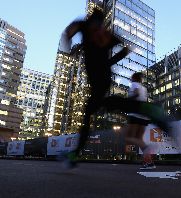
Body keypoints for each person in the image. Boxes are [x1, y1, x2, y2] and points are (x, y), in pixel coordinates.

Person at [59, 9, 169, 168]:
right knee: (102, 105)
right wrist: (107, 62)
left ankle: (75, 154)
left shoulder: (83, 25)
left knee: (93, 110)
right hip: (103, 77)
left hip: (99, 79)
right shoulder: (107, 34)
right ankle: (75, 154)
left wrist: (68, 49)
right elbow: (127, 48)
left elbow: (67, 33)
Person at [123, 72, 156, 169]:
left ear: (134, 78)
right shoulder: (144, 88)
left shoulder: (134, 84)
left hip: (135, 114)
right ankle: (149, 163)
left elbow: (136, 94)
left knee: (128, 137)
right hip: (144, 115)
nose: (130, 79)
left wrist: (127, 101)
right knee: (139, 139)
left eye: (131, 77)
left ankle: (147, 148)